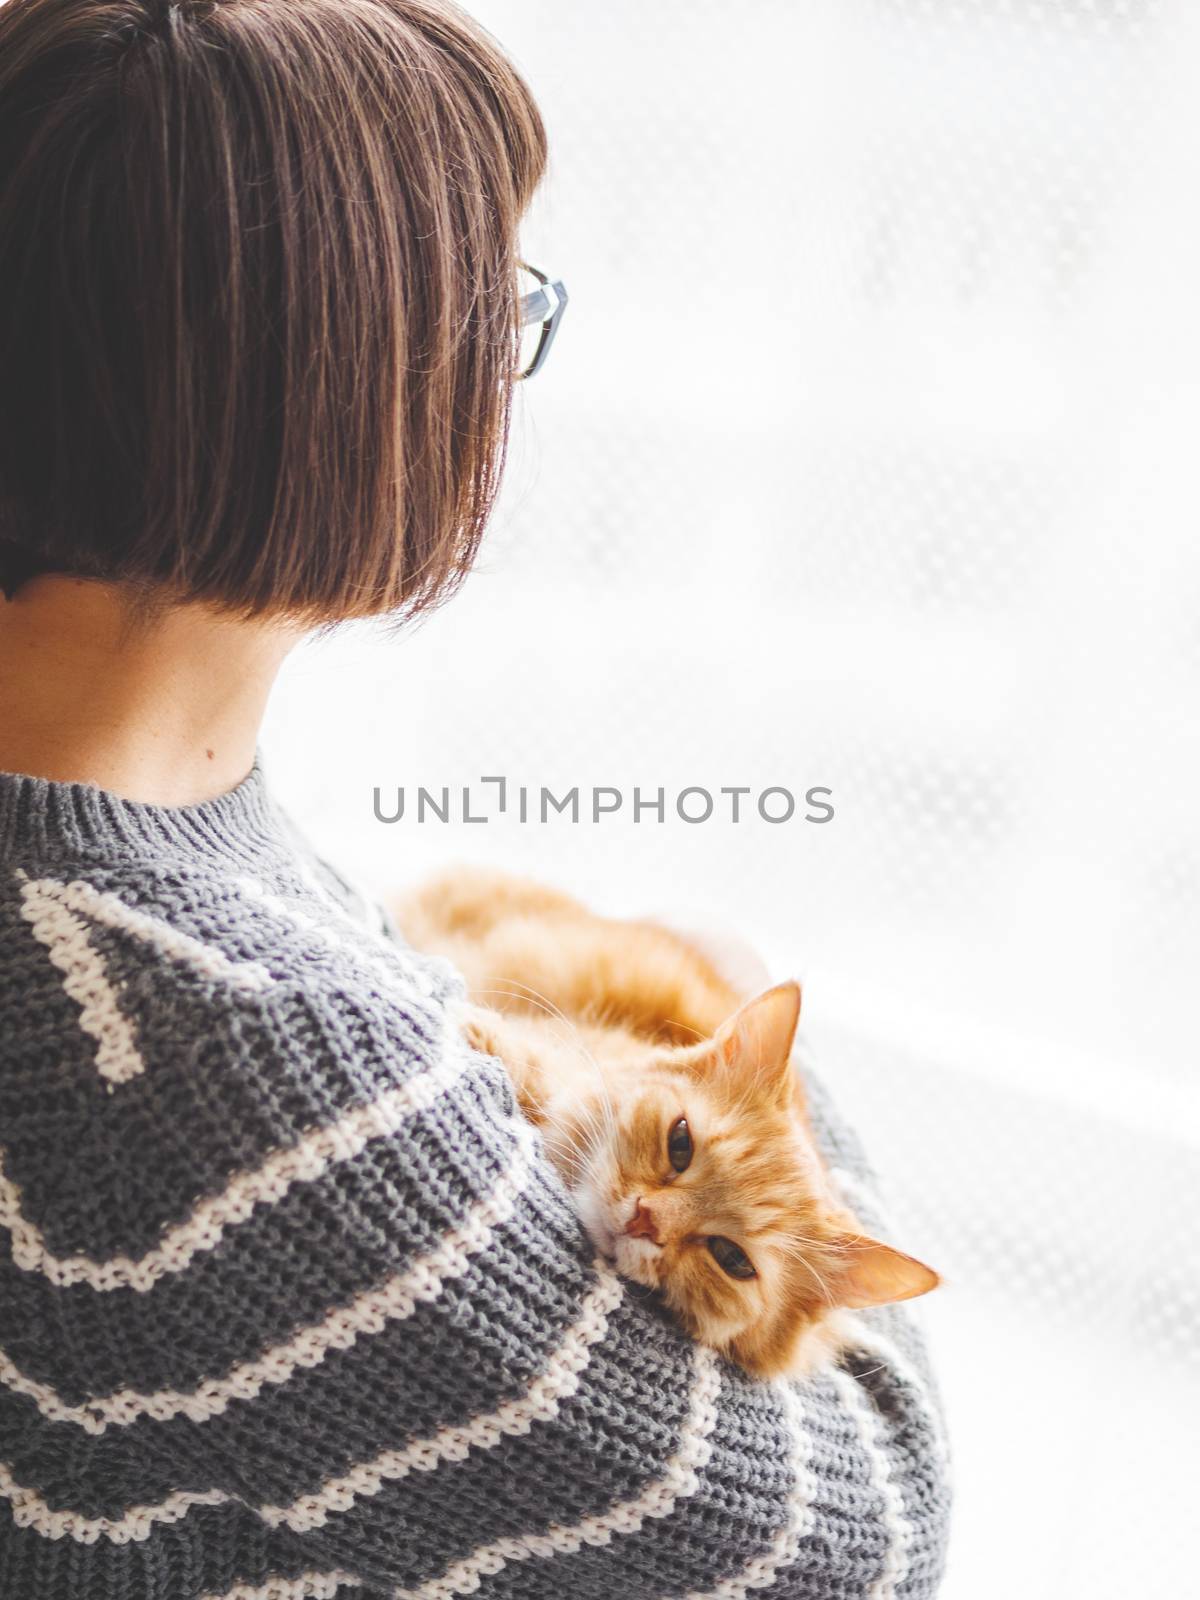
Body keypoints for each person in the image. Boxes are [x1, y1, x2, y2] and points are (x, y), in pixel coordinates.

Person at [0, 3, 950, 1597]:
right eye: (502, 311)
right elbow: (854, 1541)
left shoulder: (149, 830)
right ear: (337, 386)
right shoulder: (212, 1046)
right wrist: (722, 1021)